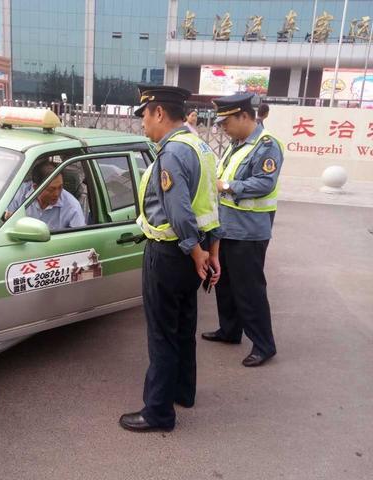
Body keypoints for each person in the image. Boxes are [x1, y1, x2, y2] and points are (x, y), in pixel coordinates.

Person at [119, 85, 222, 433]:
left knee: (161, 334)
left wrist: (194, 252)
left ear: (159, 113)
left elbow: (178, 211)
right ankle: (183, 392)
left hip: (170, 254)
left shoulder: (172, 153)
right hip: (196, 254)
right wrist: (211, 252)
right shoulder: (201, 147)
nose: (143, 124)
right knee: (182, 328)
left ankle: (158, 413)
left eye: (144, 116)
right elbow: (211, 205)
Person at [201, 93, 284, 367]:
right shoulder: (237, 144)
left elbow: (264, 183)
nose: (222, 127)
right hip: (227, 228)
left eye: (226, 122)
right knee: (223, 283)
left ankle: (264, 344)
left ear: (245, 116)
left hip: (249, 232)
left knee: (249, 290)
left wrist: (227, 186)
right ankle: (230, 330)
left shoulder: (266, 146)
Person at [5, 160, 85, 230]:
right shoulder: (19, 194)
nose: (57, 194)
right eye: (51, 189)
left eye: (60, 187)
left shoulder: (72, 206)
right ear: (35, 187)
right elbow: (8, 223)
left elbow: (81, 237)